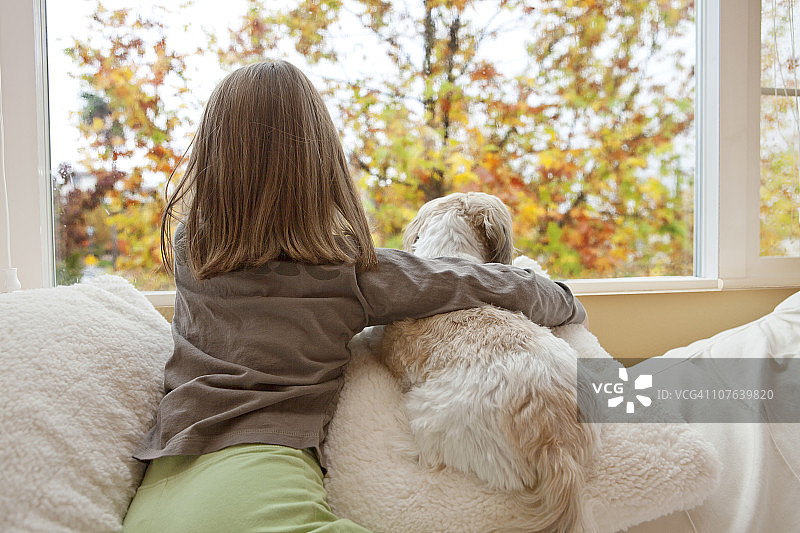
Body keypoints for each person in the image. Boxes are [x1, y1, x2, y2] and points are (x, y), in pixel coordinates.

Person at [122, 59, 586, 533]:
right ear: (321, 163)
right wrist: (565, 300)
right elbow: (470, 280)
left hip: (160, 484)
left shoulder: (192, 249)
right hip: (260, 483)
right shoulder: (346, 271)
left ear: (212, 157)